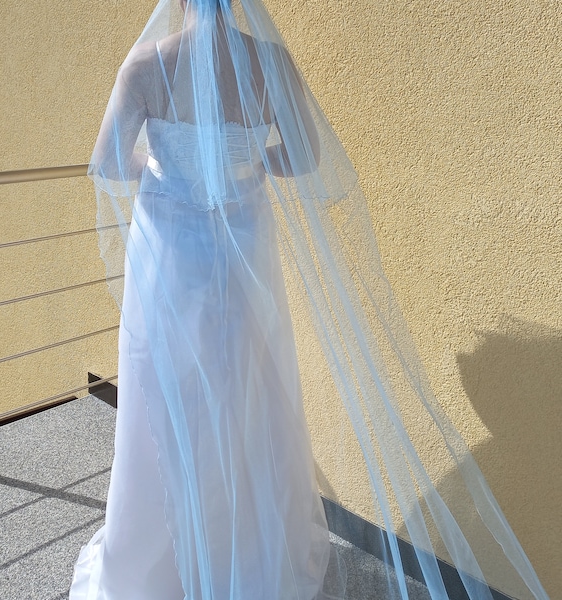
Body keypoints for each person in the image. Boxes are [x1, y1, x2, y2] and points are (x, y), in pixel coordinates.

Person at [70, 1, 548, 599]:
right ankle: (247, 554)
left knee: (162, 405)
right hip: (242, 256)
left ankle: (152, 569)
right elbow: (305, 157)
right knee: (247, 394)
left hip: (169, 261)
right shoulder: (269, 62)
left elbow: (108, 160)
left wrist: (170, 167)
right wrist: (244, 163)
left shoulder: (146, 64)